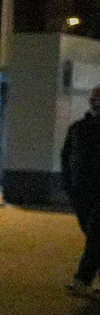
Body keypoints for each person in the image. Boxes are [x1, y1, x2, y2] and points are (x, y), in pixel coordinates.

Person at [62, 85, 100, 295]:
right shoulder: (77, 128)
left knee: (96, 236)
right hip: (81, 192)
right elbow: (66, 157)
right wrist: (69, 185)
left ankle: (82, 280)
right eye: (95, 98)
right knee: (93, 235)